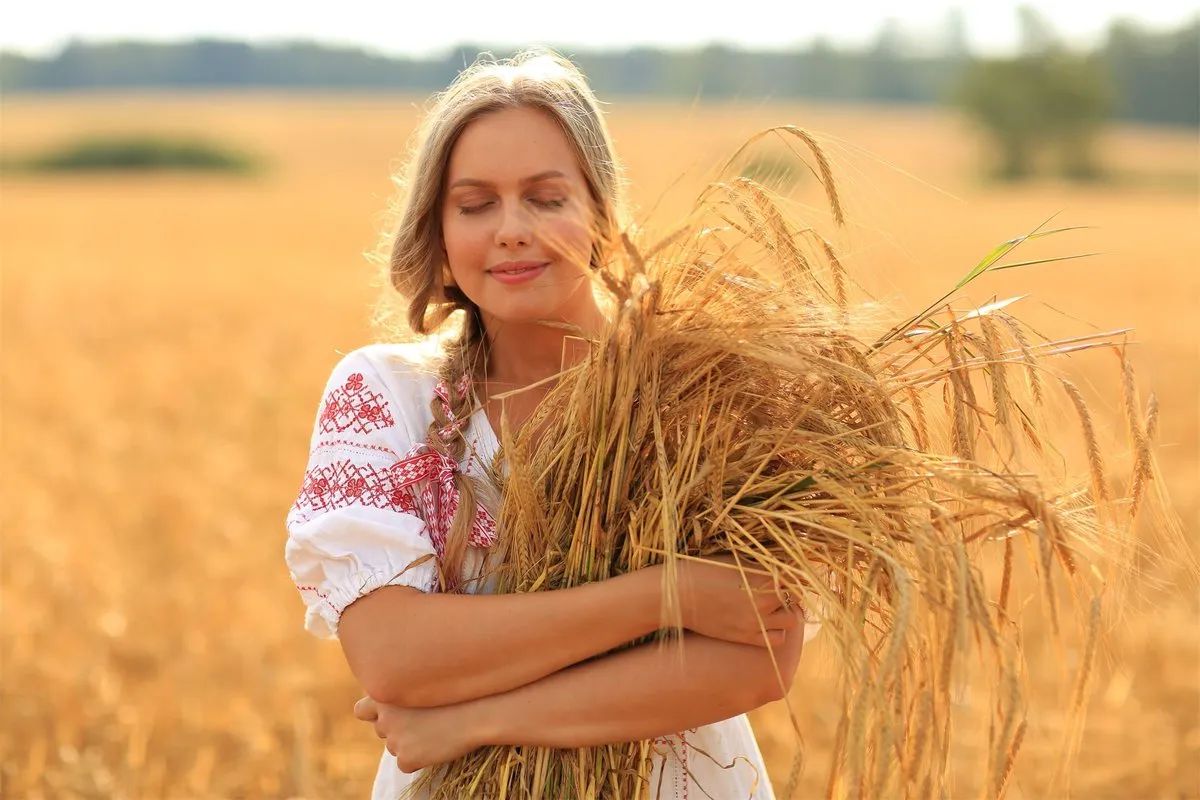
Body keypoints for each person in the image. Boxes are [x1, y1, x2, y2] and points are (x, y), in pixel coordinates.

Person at [284, 47, 821, 800]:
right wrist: (672, 595)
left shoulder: (705, 392)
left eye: (546, 197)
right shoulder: (387, 398)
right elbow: (395, 658)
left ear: (602, 214)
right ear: (436, 231)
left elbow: (762, 657)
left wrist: (466, 723)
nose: (511, 230)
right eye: (474, 205)